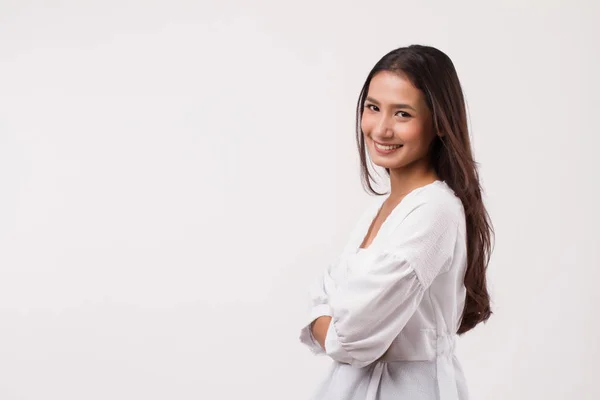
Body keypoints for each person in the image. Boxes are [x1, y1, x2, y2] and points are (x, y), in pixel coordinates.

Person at [299, 45, 494, 400]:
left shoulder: (433, 211)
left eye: (402, 114)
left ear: (438, 123)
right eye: (373, 108)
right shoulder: (381, 207)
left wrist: (327, 321)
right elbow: (326, 299)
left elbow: (351, 337)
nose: (381, 129)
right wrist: (333, 317)